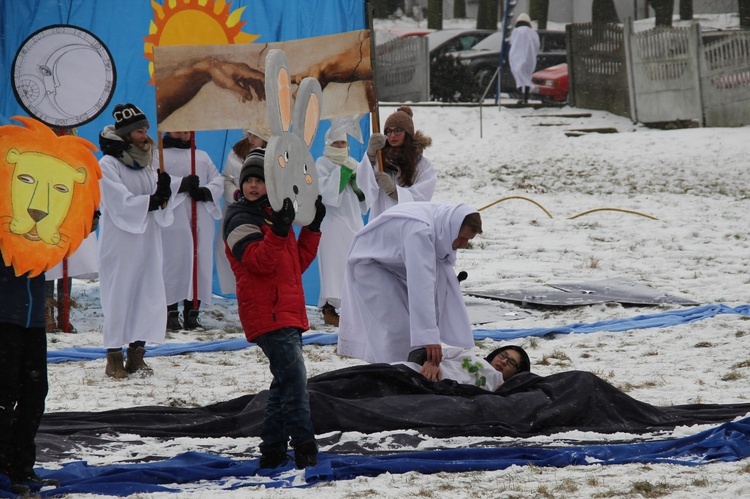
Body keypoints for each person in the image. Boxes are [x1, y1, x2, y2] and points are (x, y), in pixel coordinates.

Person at [223, 149, 326, 470]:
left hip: (287, 311)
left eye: (261, 180)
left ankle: (272, 452)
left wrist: (311, 228)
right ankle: (306, 451)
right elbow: (259, 261)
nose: (254, 186)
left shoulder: (274, 215)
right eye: (249, 180)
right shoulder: (239, 218)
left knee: (284, 385)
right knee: (295, 383)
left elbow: (295, 264)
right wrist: (280, 233)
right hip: (267, 314)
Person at [338, 202, 482, 366]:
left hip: (392, 267)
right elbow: (422, 284)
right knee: (398, 327)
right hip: (369, 267)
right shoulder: (420, 232)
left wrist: (430, 334)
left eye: (468, 240)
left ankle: (408, 367)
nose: (463, 245)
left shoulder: (441, 223)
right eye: (462, 238)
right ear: (452, 228)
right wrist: (429, 336)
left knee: (410, 327)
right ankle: (398, 373)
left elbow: (434, 286)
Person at [98, 103, 177, 378]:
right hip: (121, 242)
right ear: (126, 134)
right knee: (121, 295)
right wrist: (151, 202)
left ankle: (137, 353)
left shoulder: (148, 161)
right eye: (140, 132)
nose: (145, 136)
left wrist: (164, 193)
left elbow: (159, 201)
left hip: (147, 240)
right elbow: (118, 202)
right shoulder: (108, 164)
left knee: (147, 293)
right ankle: (113, 357)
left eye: (146, 130)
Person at [0, 264, 60, 494]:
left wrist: (84, 226)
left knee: (34, 394)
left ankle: (22, 466)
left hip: (32, 317)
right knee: (4, 396)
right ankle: (3, 468)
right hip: (4, 316)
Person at [160, 131, 224, 331]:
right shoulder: (159, 155)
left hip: (200, 215)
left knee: (198, 262)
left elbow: (218, 179)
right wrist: (180, 184)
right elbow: (155, 178)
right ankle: (170, 311)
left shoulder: (202, 156)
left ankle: (192, 313)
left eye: (187, 130)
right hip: (174, 217)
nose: (183, 133)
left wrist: (205, 191)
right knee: (174, 261)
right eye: (178, 128)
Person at [315, 127, 367, 326]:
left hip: (352, 220)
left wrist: (354, 180)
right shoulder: (322, 163)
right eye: (336, 143)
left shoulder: (354, 163)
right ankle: (329, 307)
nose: (339, 146)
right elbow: (324, 193)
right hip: (331, 222)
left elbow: (364, 195)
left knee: (353, 263)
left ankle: (353, 306)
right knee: (332, 265)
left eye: (343, 143)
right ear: (328, 143)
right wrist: (341, 175)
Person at [214, 128, 270, 296]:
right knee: (232, 251)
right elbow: (226, 179)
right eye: (250, 134)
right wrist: (236, 194)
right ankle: (239, 290)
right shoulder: (237, 152)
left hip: (262, 212)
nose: (251, 138)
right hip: (237, 210)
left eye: (256, 135)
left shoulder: (274, 156)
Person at [358, 106, 436, 221]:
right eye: (389, 131)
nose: (392, 135)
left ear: (408, 133)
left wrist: (394, 191)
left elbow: (422, 196)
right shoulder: (380, 159)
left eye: (398, 130)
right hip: (380, 220)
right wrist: (370, 155)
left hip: (407, 222)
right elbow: (363, 184)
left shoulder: (422, 165)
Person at [406, 345, 531, 391]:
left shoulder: (500, 389)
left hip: (433, 392)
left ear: (517, 373)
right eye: (503, 355)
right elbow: (419, 353)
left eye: (511, 363)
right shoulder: (468, 355)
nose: (503, 361)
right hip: (418, 373)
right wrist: (430, 361)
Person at [509, 13, 540, 104]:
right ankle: (526, 96)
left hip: (516, 57)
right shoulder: (532, 32)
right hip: (529, 57)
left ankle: (520, 95)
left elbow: (511, 43)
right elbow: (536, 44)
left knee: (519, 76)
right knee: (527, 76)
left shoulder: (516, 31)